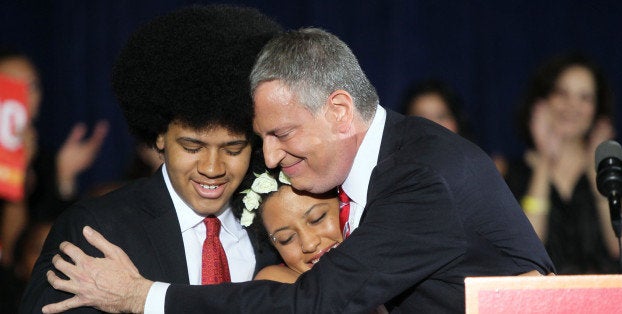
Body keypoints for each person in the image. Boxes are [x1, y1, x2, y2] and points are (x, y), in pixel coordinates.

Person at [41, 27, 554, 313]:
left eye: (280, 135)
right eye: (260, 138)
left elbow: (315, 303)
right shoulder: (102, 228)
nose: (267, 159)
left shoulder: (421, 177)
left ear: (337, 110)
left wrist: (141, 296)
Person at [19, 5, 282, 313]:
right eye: (192, 146)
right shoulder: (98, 230)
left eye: (233, 149)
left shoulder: (277, 228)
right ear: (160, 137)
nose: (213, 168)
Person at [504, 53, 622, 274]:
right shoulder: (515, 172)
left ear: (597, 109)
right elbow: (527, 249)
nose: (573, 106)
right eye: (562, 93)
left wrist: (596, 169)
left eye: (585, 98)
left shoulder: (614, 171)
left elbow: (621, 246)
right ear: (542, 103)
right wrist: (543, 163)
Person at [0, 49, 109, 268]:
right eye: (13, 87)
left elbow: (45, 247)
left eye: (32, 87)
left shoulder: (45, 159)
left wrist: (64, 178)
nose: (26, 97)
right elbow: (11, 256)